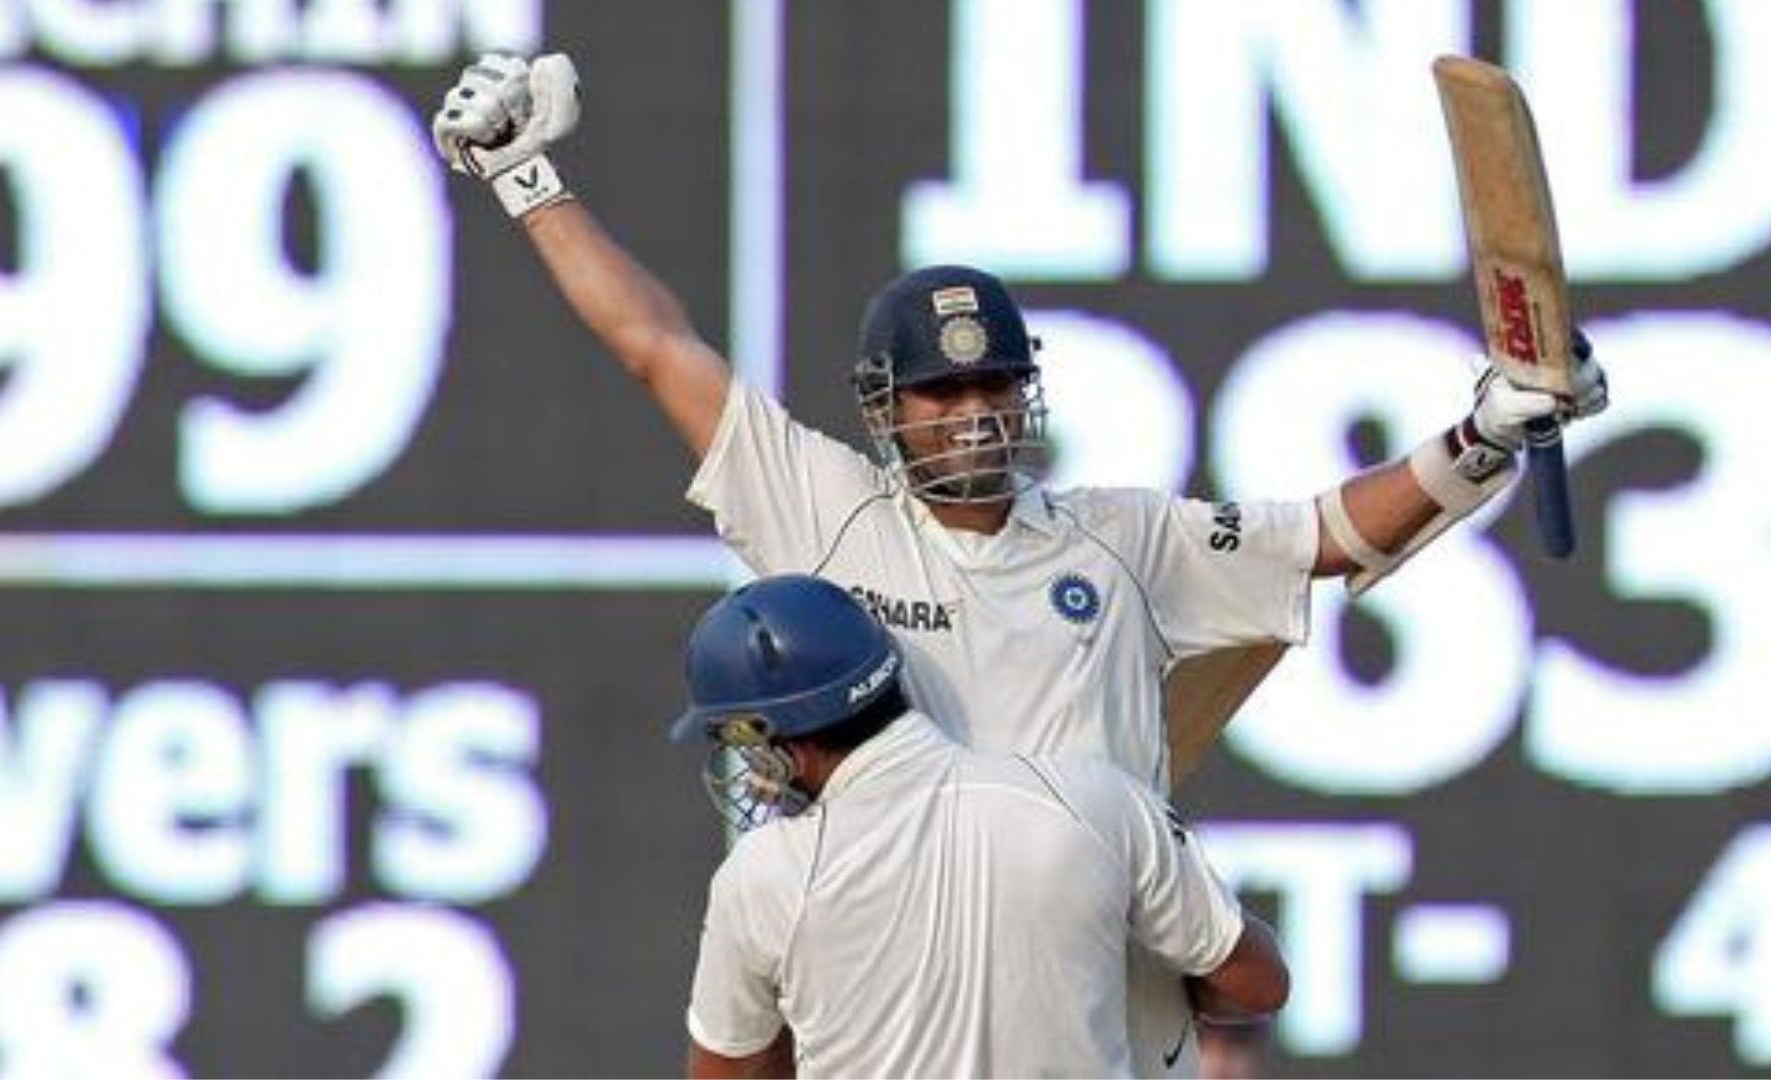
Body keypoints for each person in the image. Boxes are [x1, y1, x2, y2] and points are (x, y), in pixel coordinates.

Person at [429, 51, 1608, 1076]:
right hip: (892, 981)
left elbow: (1326, 537)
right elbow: (655, 349)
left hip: (1092, 1003)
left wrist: (1481, 437)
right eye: (944, 392)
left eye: (994, 384)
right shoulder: (824, 508)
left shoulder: (1122, 537)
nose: (974, 414)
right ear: (888, 411)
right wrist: (527, 178)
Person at [669, 573, 1289, 1078]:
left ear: (784, 745)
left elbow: (728, 1073)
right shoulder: (1094, 801)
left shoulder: (763, 875)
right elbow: (1257, 984)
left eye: (741, 743)